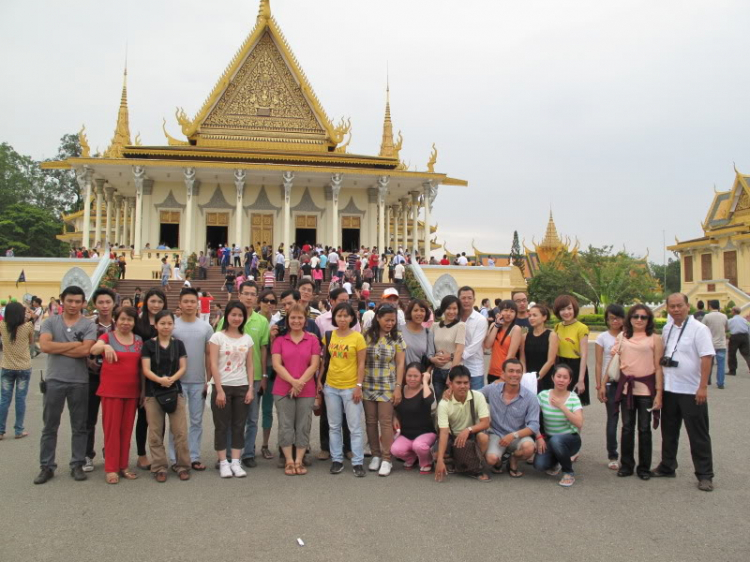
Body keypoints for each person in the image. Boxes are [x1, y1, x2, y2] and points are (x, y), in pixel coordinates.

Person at [34, 286, 97, 485]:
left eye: (78, 301)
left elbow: (86, 350)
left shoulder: (88, 325)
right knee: (50, 426)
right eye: (70, 300)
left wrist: (58, 348)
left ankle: (77, 464)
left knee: (79, 426)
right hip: (54, 380)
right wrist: (74, 346)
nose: (73, 305)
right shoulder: (50, 322)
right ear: (62, 300)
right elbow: (44, 346)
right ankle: (46, 466)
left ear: (83, 303)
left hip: (79, 381)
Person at [652, 293, 715, 492]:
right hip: (671, 388)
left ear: (688, 306)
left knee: (698, 434)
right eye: (672, 306)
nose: (676, 309)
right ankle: (668, 466)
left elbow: (706, 358)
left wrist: (703, 386)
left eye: (680, 305)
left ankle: (705, 475)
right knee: (668, 432)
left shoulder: (700, 329)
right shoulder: (667, 328)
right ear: (667, 308)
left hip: (691, 390)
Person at [215, 281, 270, 468]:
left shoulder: (262, 321)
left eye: (253, 294)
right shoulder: (226, 319)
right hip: (230, 376)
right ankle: (229, 454)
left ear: (256, 298)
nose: (249, 297)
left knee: (252, 418)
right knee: (231, 417)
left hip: (253, 377)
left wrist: (263, 376)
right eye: (246, 293)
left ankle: (247, 453)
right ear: (239, 295)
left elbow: (263, 350)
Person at [89, 306, 142, 484]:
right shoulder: (108, 336)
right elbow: (94, 349)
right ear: (116, 320)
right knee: (112, 431)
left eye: (130, 320)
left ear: (134, 322)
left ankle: (123, 465)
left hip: (132, 392)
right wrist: (105, 346)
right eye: (122, 319)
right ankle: (111, 468)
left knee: (126, 430)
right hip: (111, 391)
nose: (126, 323)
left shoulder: (138, 340)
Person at [613, 304, 664, 480]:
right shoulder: (622, 336)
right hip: (627, 388)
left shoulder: (655, 338)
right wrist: (602, 384)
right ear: (630, 318)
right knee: (627, 428)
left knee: (644, 428)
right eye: (636, 316)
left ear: (649, 320)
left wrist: (659, 393)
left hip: (646, 389)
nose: (639, 320)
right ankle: (626, 465)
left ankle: (644, 467)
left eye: (644, 317)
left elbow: (658, 367)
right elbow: (614, 362)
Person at [140, 310, 190, 483]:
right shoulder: (148, 345)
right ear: (156, 325)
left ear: (173, 325)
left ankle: (182, 465)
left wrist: (171, 380)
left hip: (175, 391)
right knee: (155, 433)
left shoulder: (179, 344)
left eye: (169, 323)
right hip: (153, 393)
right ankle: (159, 467)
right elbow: (145, 369)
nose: (166, 326)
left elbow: (183, 367)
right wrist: (160, 380)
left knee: (180, 432)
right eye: (162, 323)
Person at [272, 303, 321, 476]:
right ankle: (289, 460)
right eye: (293, 317)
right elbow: (277, 365)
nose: (296, 321)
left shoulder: (313, 339)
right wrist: (293, 382)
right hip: (282, 388)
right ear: (287, 320)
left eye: (300, 317)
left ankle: (299, 460)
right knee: (285, 425)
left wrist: (299, 383)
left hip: (306, 389)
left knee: (303, 425)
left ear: (305, 320)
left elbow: (314, 364)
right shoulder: (279, 340)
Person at [169, 288, 214, 472]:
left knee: (196, 421)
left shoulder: (206, 327)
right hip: (177, 381)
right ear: (179, 303)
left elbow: (209, 355)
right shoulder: (172, 326)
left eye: (192, 301)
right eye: (185, 301)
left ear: (197, 304)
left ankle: (194, 456)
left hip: (197, 381)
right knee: (176, 423)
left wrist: (208, 379)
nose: (189, 305)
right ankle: (175, 457)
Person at [209, 301, 255, 478]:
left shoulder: (247, 339)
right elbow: (213, 363)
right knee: (221, 426)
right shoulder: (217, 337)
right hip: (222, 386)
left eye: (240, 315)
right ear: (227, 315)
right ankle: (223, 462)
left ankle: (236, 461)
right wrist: (219, 389)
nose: (237, 318)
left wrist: (250, 388)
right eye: (233, 314)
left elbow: (250, 365)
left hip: (241, 386)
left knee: (238, 425)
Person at [321, 302, 367, 476]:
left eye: (346, 315)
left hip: (350, 387)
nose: (342, 319)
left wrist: (358, 386)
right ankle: (337, 459)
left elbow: (361, 363)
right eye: (339, 315)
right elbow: (325, 360)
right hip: (331, 386)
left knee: (354, 427)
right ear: (334, 317)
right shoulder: (329, 336)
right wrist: (320, 381)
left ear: (352, 318)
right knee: (334, 426)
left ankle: (357, 462)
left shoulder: (357, 337)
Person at [315, 288, 360, 461]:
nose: (345, 303)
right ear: (331, 301)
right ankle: (326, 448)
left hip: (349, 374)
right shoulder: (320, 320)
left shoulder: (352, 320)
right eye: (341, 299)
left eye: (347, 300)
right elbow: (321, 351)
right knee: (327, 414)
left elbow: (357, 345)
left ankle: (349, 448)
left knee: (349, 416)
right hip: (329, 373)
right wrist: (319, 377)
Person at [363, 303, 406, 477]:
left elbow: (401, 363)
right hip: (368, 383)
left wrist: (398, 387)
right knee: (370, 421)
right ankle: (375, 454)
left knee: (385, 421)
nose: (390, 323)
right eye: (386, 320)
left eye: (393, 320)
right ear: (378, 318)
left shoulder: (397, 337)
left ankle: (387, 458)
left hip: (387, 384)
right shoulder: (366, 336)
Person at [481, 359, 540, 477]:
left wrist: (513, 435)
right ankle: (498, 462)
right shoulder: (492, 389)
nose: (514, 374)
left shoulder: (530, 397)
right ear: (503, 374)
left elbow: (534, 425)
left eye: (518, 372)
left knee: (529, 448)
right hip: (496, 434)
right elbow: (473, 395)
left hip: (518, 435)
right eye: (511, 371)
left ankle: (513, 459)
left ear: (522, 375)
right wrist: (451, 391)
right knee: (491, 459)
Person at [434, 365, 491, 482]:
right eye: (458, 383)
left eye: (466, 383)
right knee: (436, 455)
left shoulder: (478, 396)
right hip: (452, 436)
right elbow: (444, 433)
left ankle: (477, 467)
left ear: (470, 383)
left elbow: (485, 423)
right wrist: (440, 460)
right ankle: (456, 460)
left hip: (472, 433)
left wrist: (468, 430)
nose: (462, 386)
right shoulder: (444, 403)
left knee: (483, 437)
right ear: (450, 384)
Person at [133, 288, 169, 471]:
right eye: (152, 301)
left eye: (159, 302)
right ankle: (142, 455)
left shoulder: (166, 321)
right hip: (141, 375)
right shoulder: (138, 324)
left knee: (160, 418)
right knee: (143, 418)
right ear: (146, 302)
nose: (156, 305)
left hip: (161, 376)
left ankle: (158, 455)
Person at [83, 288, 116, 473]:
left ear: (113, 304)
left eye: (108, 302)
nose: (104, 306)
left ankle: (109, 451)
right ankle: (87, 454)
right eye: (101, 302)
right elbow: (83, 348)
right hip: (92, 376)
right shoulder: (88, 325)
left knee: (111, 418)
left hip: (113, 378)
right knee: (89, 417)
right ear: (95, 304)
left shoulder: (120, 324)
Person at [534, 364, 584, 487]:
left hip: (570, 439)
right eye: (558, 376)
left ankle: (568, 472)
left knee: (557, 440)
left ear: (570, 381)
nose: (561, 380)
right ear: (553, 378)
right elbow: (532, 417)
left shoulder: (573, 398)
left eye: (565, 377)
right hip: (549, 438)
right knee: (540, 465)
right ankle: (558, 460)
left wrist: (562, 406)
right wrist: (539, 437)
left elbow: (579, 423)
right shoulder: (543, 395)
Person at [594, 304, 625, 470]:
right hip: (610, 382)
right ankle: (612, 455)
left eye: (618, 317)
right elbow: (599, 363)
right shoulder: (602, 338)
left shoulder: (629, 335)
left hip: (627, 382)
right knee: (612, 420)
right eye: (611, 317)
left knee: (628, 422)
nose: (615, 321)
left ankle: (627, 456)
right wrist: (599, 385)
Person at [391, 362, 436, 474]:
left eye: (415, 376)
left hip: (425, 433)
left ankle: (426, 462)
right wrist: (394, 418)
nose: (412, 379)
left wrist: (425, 381)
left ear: (421, 376)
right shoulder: (401, 390)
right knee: (395, 450)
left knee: (419, 446)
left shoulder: (426, 390)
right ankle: (412, 458)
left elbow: (428, 401)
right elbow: (394, 407)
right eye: (409, 376)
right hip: (406, 434)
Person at [0, 301, 34, 440]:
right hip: (24, 367)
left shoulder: (2, 325)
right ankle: (19, 430)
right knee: (20, 399)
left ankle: (1, 431)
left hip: (7, 366)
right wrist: (28, 311)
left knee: (4, 400)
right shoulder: (28, 326)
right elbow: (32, 342)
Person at [553, 295, 590, 405]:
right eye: (562, 309)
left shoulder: (582, 328)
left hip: (575, 367)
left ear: (574, 309)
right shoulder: (557, 327)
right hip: (560, 365)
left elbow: (584, 355)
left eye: (569, 308)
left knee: (574, 405)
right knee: (559, 403)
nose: (566, 312)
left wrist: (581, 380)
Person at [431, 295, 466, 401]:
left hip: (452, 371)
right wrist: (434, 359)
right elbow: (431, 349)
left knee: (452, 403)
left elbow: (459, 351)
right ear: (443, 309)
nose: (451, 311)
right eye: (448, 308)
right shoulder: (434, 326)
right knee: (440, 402)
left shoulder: (460, 326)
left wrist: (451, 375)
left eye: (454, 308)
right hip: (437, 371)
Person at [257, 290, 277, 459]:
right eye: (265, 300)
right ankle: (247, 444)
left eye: (272, 301)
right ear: (259, 302)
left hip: (272, 370)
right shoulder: (252, 320)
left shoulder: (277, 322)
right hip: (254, 369)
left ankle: (265, 444)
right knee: (249, 410)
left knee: (267, 409)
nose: (269, 304)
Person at [521, 303, 558, 392]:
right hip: (528, 379)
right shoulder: (525, 336)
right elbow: (522, 359)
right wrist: (525, 376)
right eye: (529, 316)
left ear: (544, 317)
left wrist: (537, 377)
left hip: (546, 378)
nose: (531, 318)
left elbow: (551, 361)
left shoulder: (551, 335)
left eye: (535, 315)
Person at [484, 299, 522, 384]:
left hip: (506, 374)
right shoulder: (494, 325)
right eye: (505, 310)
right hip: (492, 371)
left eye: (512, 311)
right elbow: (487, 345)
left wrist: (503, 374)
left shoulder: (516, 329)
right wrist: (497, 326)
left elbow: (511, 355)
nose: (508, 313)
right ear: (500, 312)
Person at [459, 286, 488, 390]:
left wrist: (455, 356)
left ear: (474, 300)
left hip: (475, 369)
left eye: (469, 298)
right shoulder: (455, 318)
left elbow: (475, 345)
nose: (466, 301)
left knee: (476, 402)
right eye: (463, 298)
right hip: (456, 368)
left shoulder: (480, 320)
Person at [402, 299, 436, 372]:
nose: (419, 313)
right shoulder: (399, 330)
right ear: (410, 312)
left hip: (416, 378)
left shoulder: (428, 334)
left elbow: (430, 360)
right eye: (415, 310)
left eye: (422, 310)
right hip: (396, 377)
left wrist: (425, 376)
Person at [701, 300, 728, 389]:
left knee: (708, 363)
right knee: (721, 364)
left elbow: (702, 328)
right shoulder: (724, 316)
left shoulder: (707, 316)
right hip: (721, 343)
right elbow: (727, 328)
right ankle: (720, 383)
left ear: (710, 306)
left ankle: (708, 380)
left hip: (710, 343)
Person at [727, 306, 750, 376]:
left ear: (733, 311)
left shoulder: (731, 320)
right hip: (745, 336)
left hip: (735, 337)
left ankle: (732, 370)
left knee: (732, 354)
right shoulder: (744, 320)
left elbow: (727, 328)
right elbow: (748, 328)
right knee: (747, 354)